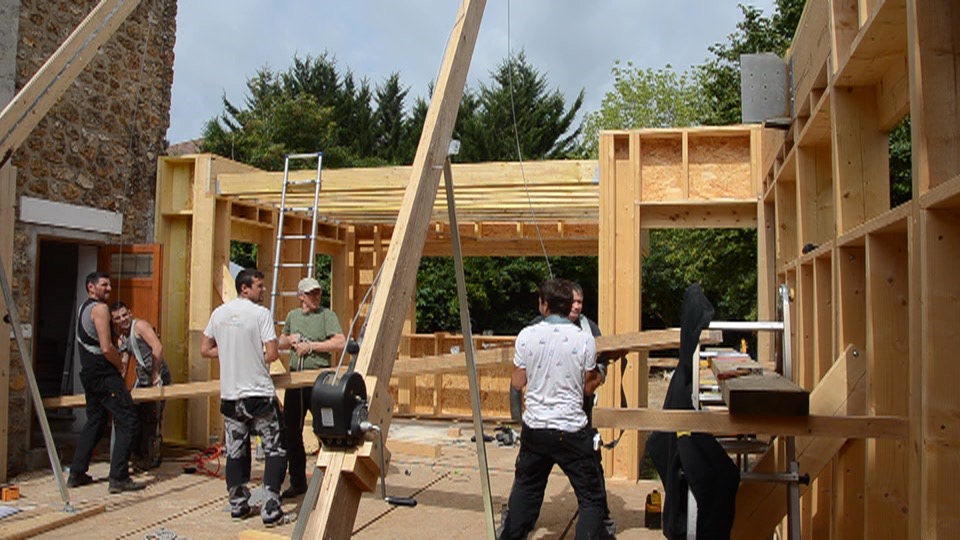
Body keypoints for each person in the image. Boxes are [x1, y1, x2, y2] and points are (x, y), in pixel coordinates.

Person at [508, 280, 616, 538]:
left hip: (535, 429)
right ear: (569, 306)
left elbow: (517, 381)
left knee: (525, 493)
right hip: (571, 430)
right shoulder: (585, 339)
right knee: (591, 498)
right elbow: (588, 388)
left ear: (544, 306)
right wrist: (600, 373)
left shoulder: (526, 335)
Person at [200, 268, 286, 525]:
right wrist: (251, 353)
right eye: (259, 286)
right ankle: (270, 506)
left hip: (231, 397)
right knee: (275, 448)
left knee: (236, 451)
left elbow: (205, 349)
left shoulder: (219, 313)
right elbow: (272, 354)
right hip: (258, 394)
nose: (262, 290)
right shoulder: (260, 314)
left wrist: (229, 351)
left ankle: (238, 503)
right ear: (244, 288)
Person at [68, 271, 146, 494]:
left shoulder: (83, 308)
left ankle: (76, 472)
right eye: (104, 285)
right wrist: (120, 365)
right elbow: (105, 347)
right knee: (128, 418)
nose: (109, 288)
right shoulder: (100, 309)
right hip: (103, 374)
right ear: (91, 288)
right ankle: (119, 476)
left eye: (110, 284)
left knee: (97, 419)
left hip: (89, 373)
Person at [276, 277, 345, 498]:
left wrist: (312, 346)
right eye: (311, 294)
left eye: (318, 293)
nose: (316, 297)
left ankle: (333, 480)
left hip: (319, 381)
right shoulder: (292, 317)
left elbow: (340, 342)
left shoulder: (327, 315)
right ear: (301, 296)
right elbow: (279, 342)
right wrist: (291, 341)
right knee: (291, 431)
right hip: (296, 381)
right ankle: (298, 482)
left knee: (326, 428)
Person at [110, 301, 172, 471]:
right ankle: (136, 456)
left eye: (125, 315)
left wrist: (155, 373)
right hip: (142, 379)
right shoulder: (123, 338)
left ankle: (151, 457)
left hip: (157, 375)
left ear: (130, 313)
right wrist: (119, 385)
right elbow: (124, 362)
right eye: (118, 318)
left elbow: (157, 347)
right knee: (134, 415)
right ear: (113, 321)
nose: (123, 319)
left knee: (152, 417)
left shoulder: (140, 327)